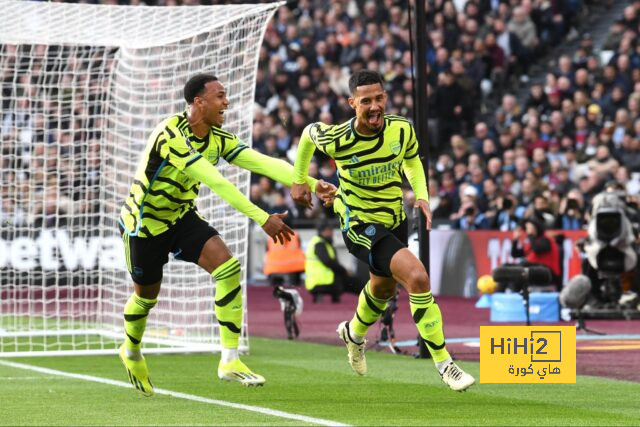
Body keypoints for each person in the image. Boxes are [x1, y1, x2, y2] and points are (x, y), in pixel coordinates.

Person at [117, 74, 336, 394]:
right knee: (146, 298)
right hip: (144, 224)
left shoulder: (218, 137)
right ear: (198, 103)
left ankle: (229, 360)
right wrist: (262, 218)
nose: (226, 102)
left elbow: (265, 164)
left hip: (180, 217)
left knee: (228, 268)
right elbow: (217, 182)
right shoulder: (171, 134)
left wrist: (315, 184)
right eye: (220, 96)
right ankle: (131, 349)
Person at [290, 70, 475, 391]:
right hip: (359, 223)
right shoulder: (337, 139)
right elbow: (307, 134)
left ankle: (353, 333)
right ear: (352, 104)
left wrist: (422, 196)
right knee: (417, 276)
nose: (374, 106)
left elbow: (413, 161)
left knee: (383, 290)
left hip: (394, 218)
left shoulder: (402, 129)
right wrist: (298, 179)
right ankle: (445, 364)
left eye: (379, 98)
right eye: (366, 101)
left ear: (385, 98)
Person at [305, 220, 360, 303]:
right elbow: (328, 262)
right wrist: (345, 271)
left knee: (346, 279)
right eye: (330, 230)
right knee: (355, 282)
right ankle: (370, 300)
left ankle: (334, 297)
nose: (332, 233)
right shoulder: (319, 244)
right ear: (325, 230)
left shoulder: (319, 242)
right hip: (323, 282)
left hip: (315, 282)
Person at [510, 216, 561, 291]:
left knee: (522, 267)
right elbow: (515, 254)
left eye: (529, 228)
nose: (527, 231)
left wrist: (531, 235)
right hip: (535, 270)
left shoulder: (546, 240)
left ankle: (516, 292)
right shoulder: (531, 242)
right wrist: (515, 241)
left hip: (548, 273)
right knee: (508, 267)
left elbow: (537, 249)